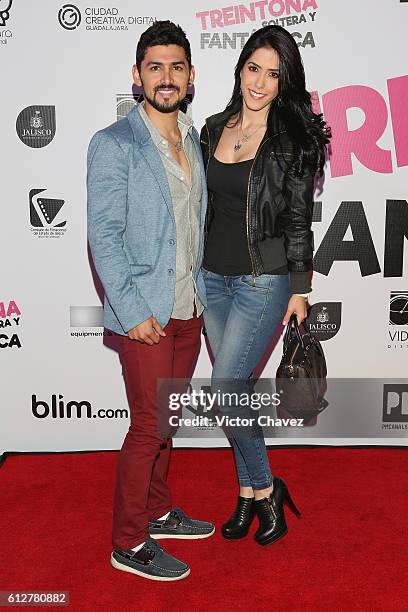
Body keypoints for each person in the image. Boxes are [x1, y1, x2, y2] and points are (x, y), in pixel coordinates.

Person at [87, 20, 214, 582]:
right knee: (147, 427)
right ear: (137, 76)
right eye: (156, 67)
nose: (167, 77)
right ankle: (128, 541)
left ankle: (159, 512)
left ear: (190, 77)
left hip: (189, 309)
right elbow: (104, 236)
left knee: (167, 420)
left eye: (177, 66)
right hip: (146, 314)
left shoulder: (193, 139)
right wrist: (133, 309)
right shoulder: (114, 143)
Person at [200, 25, 331, 546]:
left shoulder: (292, 139)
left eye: (273, 74)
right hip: (211, 279)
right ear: (239, 70)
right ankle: (249, 492)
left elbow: (299, 219)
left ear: (285, 81)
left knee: (225, 388)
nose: (259, 82)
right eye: (253, 68)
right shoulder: (211, 128)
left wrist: (300, 287)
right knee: (236, 393)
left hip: (263, 280)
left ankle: (266, 489)